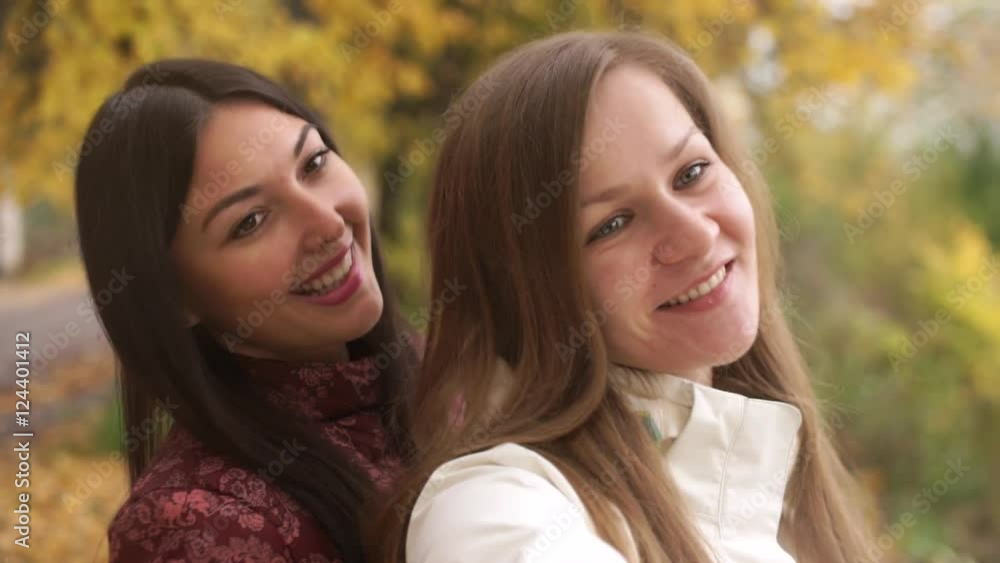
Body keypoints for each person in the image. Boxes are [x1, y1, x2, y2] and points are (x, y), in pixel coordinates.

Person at [369, 31, 872, 563]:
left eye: (691, 173)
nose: (696, 235)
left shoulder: (780, 495)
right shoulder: (489, 510)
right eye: (612, 224)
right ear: (525, 291)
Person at [74, 59, 417, 562]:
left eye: (313, 165)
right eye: (251, 221)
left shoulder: (459, 379)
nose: (326, 223)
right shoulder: (197, 530)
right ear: (173, 298)